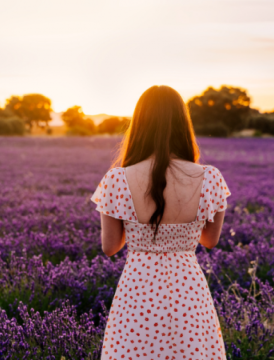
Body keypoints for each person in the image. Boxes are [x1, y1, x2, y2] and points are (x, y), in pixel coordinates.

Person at [91, 85, 231, 360]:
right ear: (182, 124)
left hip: (138, 289)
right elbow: (210, 241)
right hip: (188, 290)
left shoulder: (117, 180)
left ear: (140, 124)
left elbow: (110, 247)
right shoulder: (210, 177)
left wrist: (143, 230)